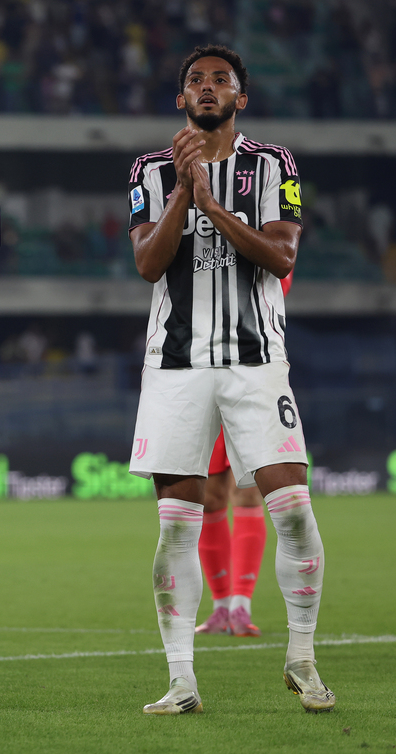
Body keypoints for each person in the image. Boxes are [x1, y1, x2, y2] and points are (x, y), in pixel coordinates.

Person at [127, 44, 333, 714]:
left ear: (240, 97)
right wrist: (185, 193)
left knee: (294, 512)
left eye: (221, 79)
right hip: (174, 367)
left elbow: (280, 255)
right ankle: (181, 679)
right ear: (181, 98)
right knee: (177, 527)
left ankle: (302, 659)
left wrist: (212, 207)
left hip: (255, 361)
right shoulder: (150, 171)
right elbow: (149, 266)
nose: (207, 86)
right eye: (195, 79)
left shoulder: (274, 165)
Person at [196, 272, 293, 638]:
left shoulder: (263, 225)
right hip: (202, 371)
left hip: (251, 372)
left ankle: (241, 606)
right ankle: (221, 607)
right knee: (210, 496)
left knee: (248, 490)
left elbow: (276, 276)